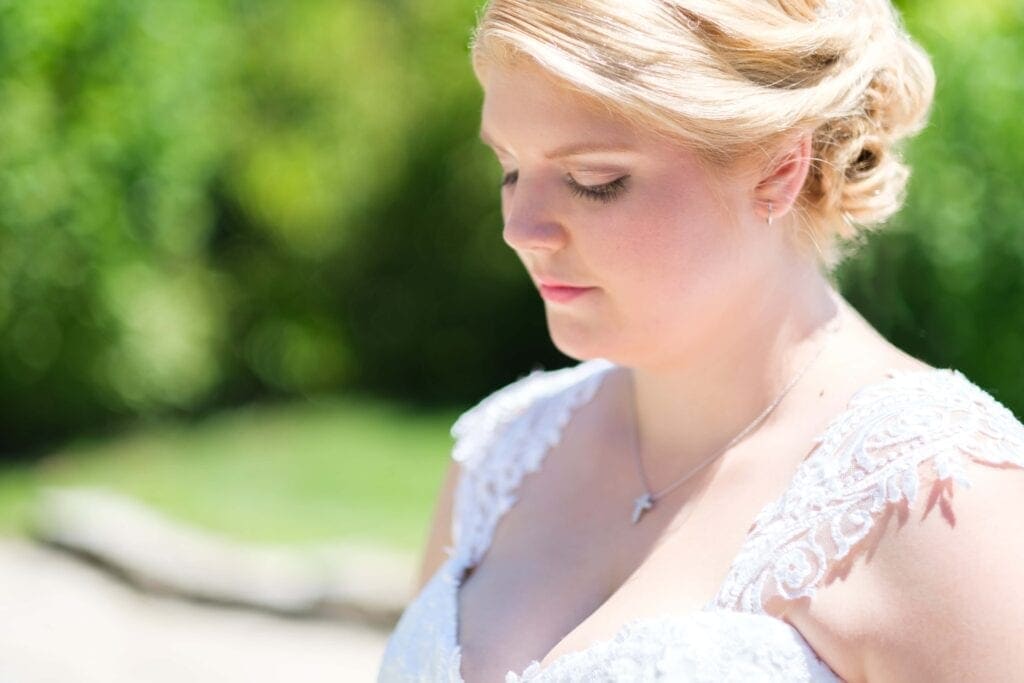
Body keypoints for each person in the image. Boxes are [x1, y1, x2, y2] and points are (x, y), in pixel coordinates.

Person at [377, 0, 1024, 680]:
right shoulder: (501, 454)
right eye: (510, 169)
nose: (521, 228)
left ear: (778, 169)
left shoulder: (941, 501)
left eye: (593, 181)